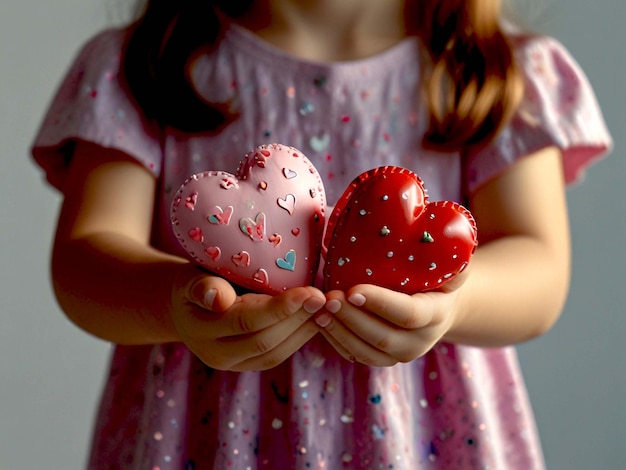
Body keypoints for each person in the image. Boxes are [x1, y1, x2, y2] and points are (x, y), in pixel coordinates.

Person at [32, 0, 612, 468]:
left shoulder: (500, 71)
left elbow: (539, 268)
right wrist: (174, 305)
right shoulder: (138, 66)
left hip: (427, 443)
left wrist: (452, 306)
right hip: (199, 441)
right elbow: (86, 258)